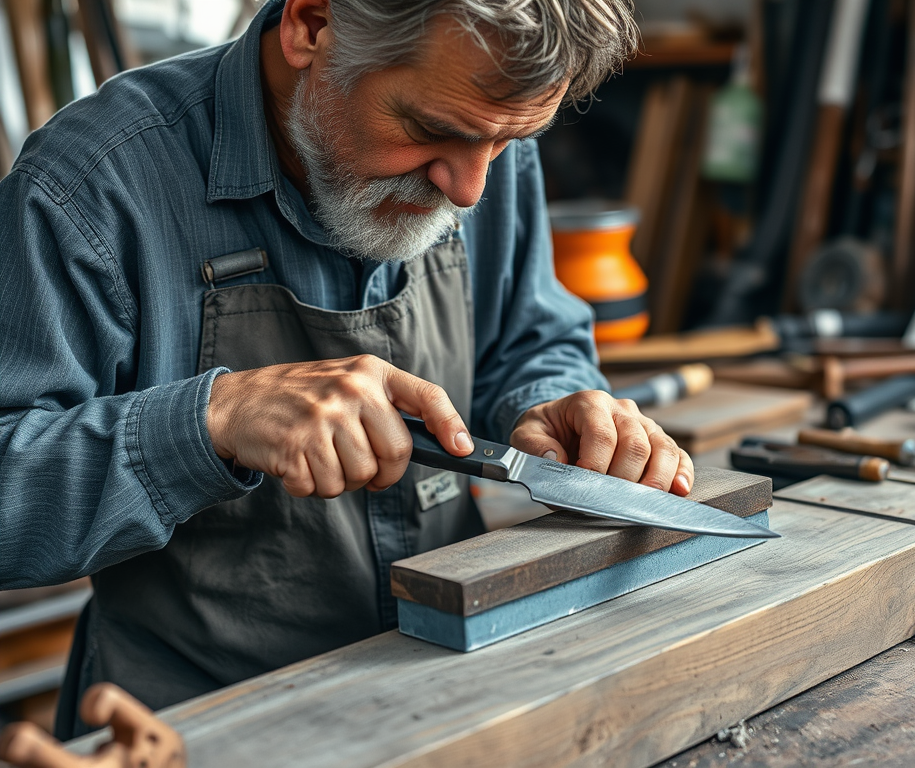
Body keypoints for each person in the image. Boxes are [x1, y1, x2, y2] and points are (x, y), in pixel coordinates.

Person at [0, 0, 694, 738]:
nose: (468, 191)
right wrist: (212, 421)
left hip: (449, 698)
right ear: (312, 24)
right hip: (197, 727)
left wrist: (550, 398)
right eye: (431, 131)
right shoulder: (89, 189)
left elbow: (530, 334)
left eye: (507, 142)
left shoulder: (480, 121)